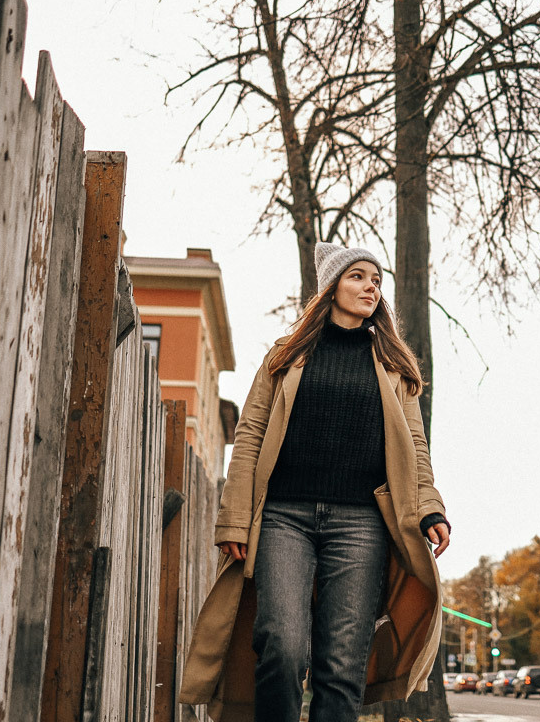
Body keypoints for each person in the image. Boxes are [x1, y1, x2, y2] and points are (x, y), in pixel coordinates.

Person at [178, 242, 451, 722]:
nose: (371, 286)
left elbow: (415, 444)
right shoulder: (286, 356)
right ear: (331, 287)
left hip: (362, 524)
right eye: (358, 276)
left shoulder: (393, 363)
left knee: (342, 663)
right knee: (281, 644)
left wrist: (430, 506)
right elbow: (250, 433)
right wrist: (235, 519)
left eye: (377, 280)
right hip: (284, 517)